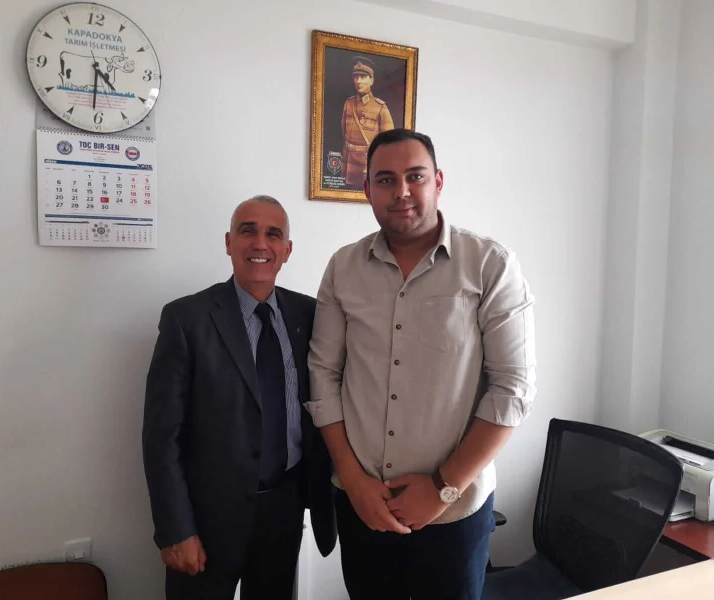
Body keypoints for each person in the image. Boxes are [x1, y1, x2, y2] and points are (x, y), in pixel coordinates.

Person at [307, 129, 536, 599]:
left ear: (438, 181)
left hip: (454, 514)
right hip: (363, 506)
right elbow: (323, 376)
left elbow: (513, 389)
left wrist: (442, 488)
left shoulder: (489, 265)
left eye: (415, 176)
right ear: (367, 189)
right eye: (385, 180)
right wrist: (353, 480)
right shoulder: (343, 268)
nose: (402, 192)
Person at [143, 195, 337, 600]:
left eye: (273, 234)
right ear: (229, 242)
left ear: (287, 250)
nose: (260, 243)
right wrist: (176, 529)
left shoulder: (309, 315)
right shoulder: (187, 319)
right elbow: (162, 437)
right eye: (248, 231)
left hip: (284, 509)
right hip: (207, 518)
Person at [341, 56, 394, 187]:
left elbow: (389, 144)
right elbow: (343, 131)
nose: (358, 81)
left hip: (366, 164)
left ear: (371, 80)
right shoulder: (349, 103)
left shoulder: (380, 107)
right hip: (347, 162)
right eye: (356, 77)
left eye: (363, 77)